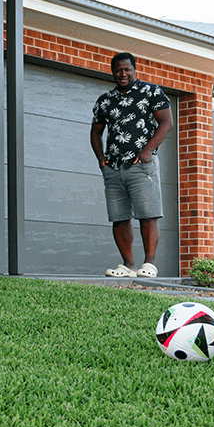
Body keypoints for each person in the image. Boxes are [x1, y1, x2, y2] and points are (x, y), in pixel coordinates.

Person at [90, 52, 173, 278]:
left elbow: (166, 122)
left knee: (148, 214)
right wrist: (101, 159)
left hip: (141, 164)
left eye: (127, 69)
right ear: (113, 72)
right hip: (114, 167)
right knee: (119, 217)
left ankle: (149, 264)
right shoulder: (105, 100)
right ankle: (128, 265)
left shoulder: (151, 92)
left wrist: (148, 150)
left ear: (134, 69)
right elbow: (96, 132)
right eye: (118, 70)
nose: (123, 73)